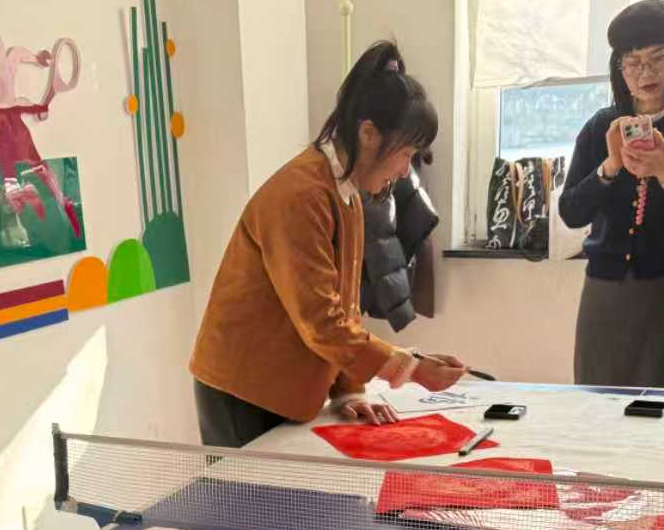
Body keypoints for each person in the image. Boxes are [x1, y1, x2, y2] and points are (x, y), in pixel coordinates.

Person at [190, 40, 469, 449]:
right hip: (242, 389)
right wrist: (411, 368)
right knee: (248, 493)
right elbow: (321, 320)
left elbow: (344, 308)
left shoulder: (347, 193)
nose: (404, 170)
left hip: (286, 385)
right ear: (368, 134)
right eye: (406, 153)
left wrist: (349, 391)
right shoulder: (301, 195)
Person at [559, 0, 664, 389]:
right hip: (605, 286)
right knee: (598, 397)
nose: (646, 72)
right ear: (618, 67)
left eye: (658, 57)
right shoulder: (602, 125)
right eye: (633, 61)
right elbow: (571, 212)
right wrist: (610, 166)